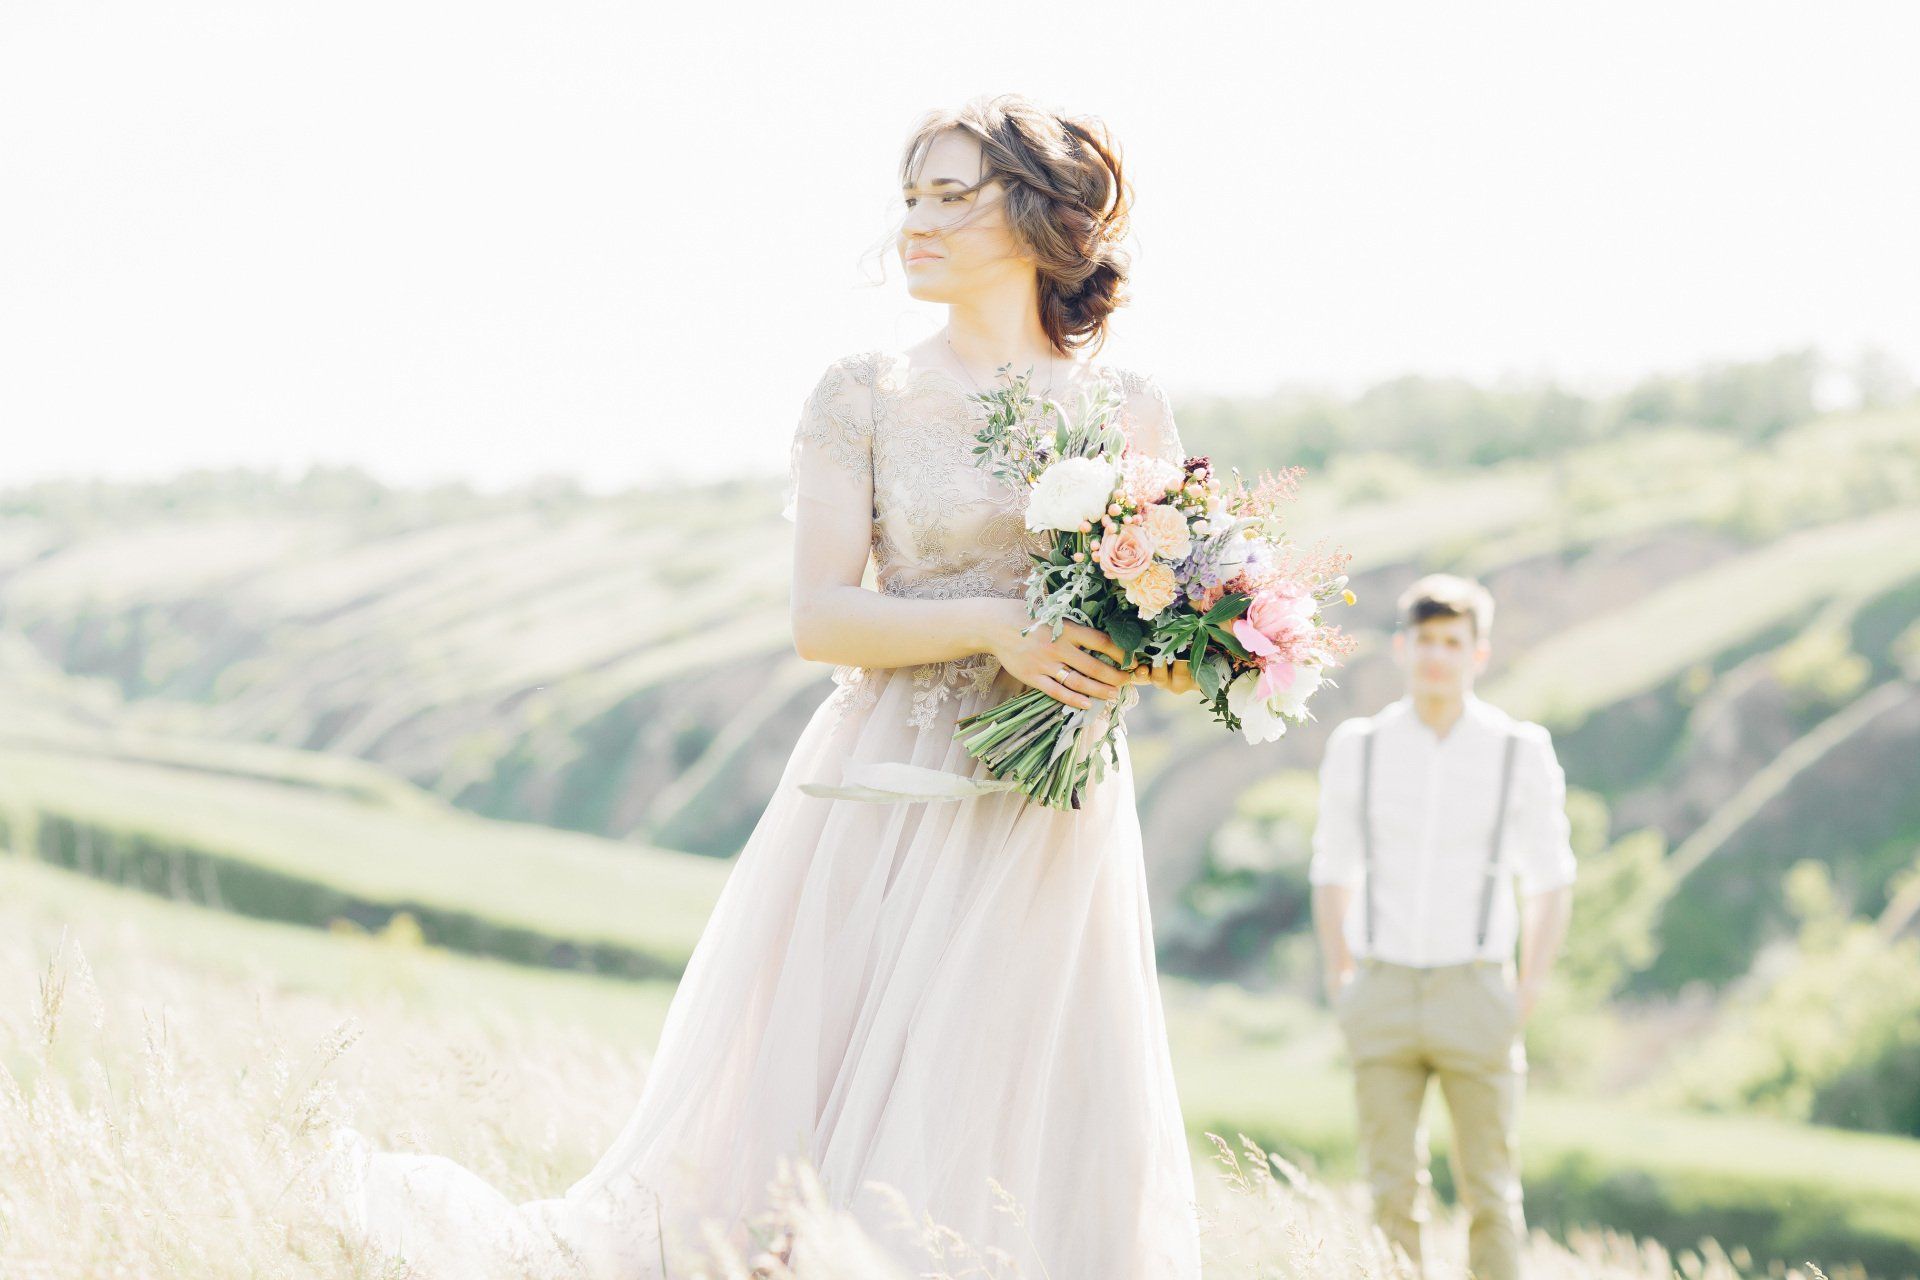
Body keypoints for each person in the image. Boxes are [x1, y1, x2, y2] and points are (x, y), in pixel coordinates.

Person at [323, 93, 1205, 1279]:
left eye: (952, 194)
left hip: (1052, 803)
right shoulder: (866, 393)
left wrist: (1171, 646)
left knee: (1021, 1076)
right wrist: (999, 622)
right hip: (888, 780)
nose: (916, 223)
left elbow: (1154, 617)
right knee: (833, 1081)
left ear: (1042, 213)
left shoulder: (1127, 406)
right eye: (910, 197)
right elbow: (820, 615)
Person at [1307, 573, 1577, 1280]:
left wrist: (1528, 988)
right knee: (1390, 1192)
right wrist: (1342, 975)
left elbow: (1552, 875)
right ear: (1402, 647)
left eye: (1452, 643)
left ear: (1478, 653)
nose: (1437, 656)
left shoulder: (1520, 749)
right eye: (1425, 640)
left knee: (1492, 1192)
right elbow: (1332, 866)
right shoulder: (1358, 746)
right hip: (1383, 987)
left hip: (1477, 988)